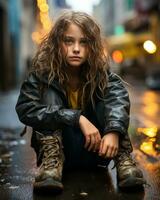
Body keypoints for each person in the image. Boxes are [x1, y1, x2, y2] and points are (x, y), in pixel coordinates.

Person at [16, 11, 145, 192]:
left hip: (97, 151)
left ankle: (124, 161)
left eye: (83, 42)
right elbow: (25, 109)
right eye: (69, 41)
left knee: (109, 99)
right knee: (48, 98)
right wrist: (77, 118)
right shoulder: (40, 77)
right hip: (58, 154)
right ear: (57, 44)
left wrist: (114, 131)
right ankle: (51, 168)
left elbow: (118, 100)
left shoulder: (103, 76)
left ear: (91, 46)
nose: (76, 48)